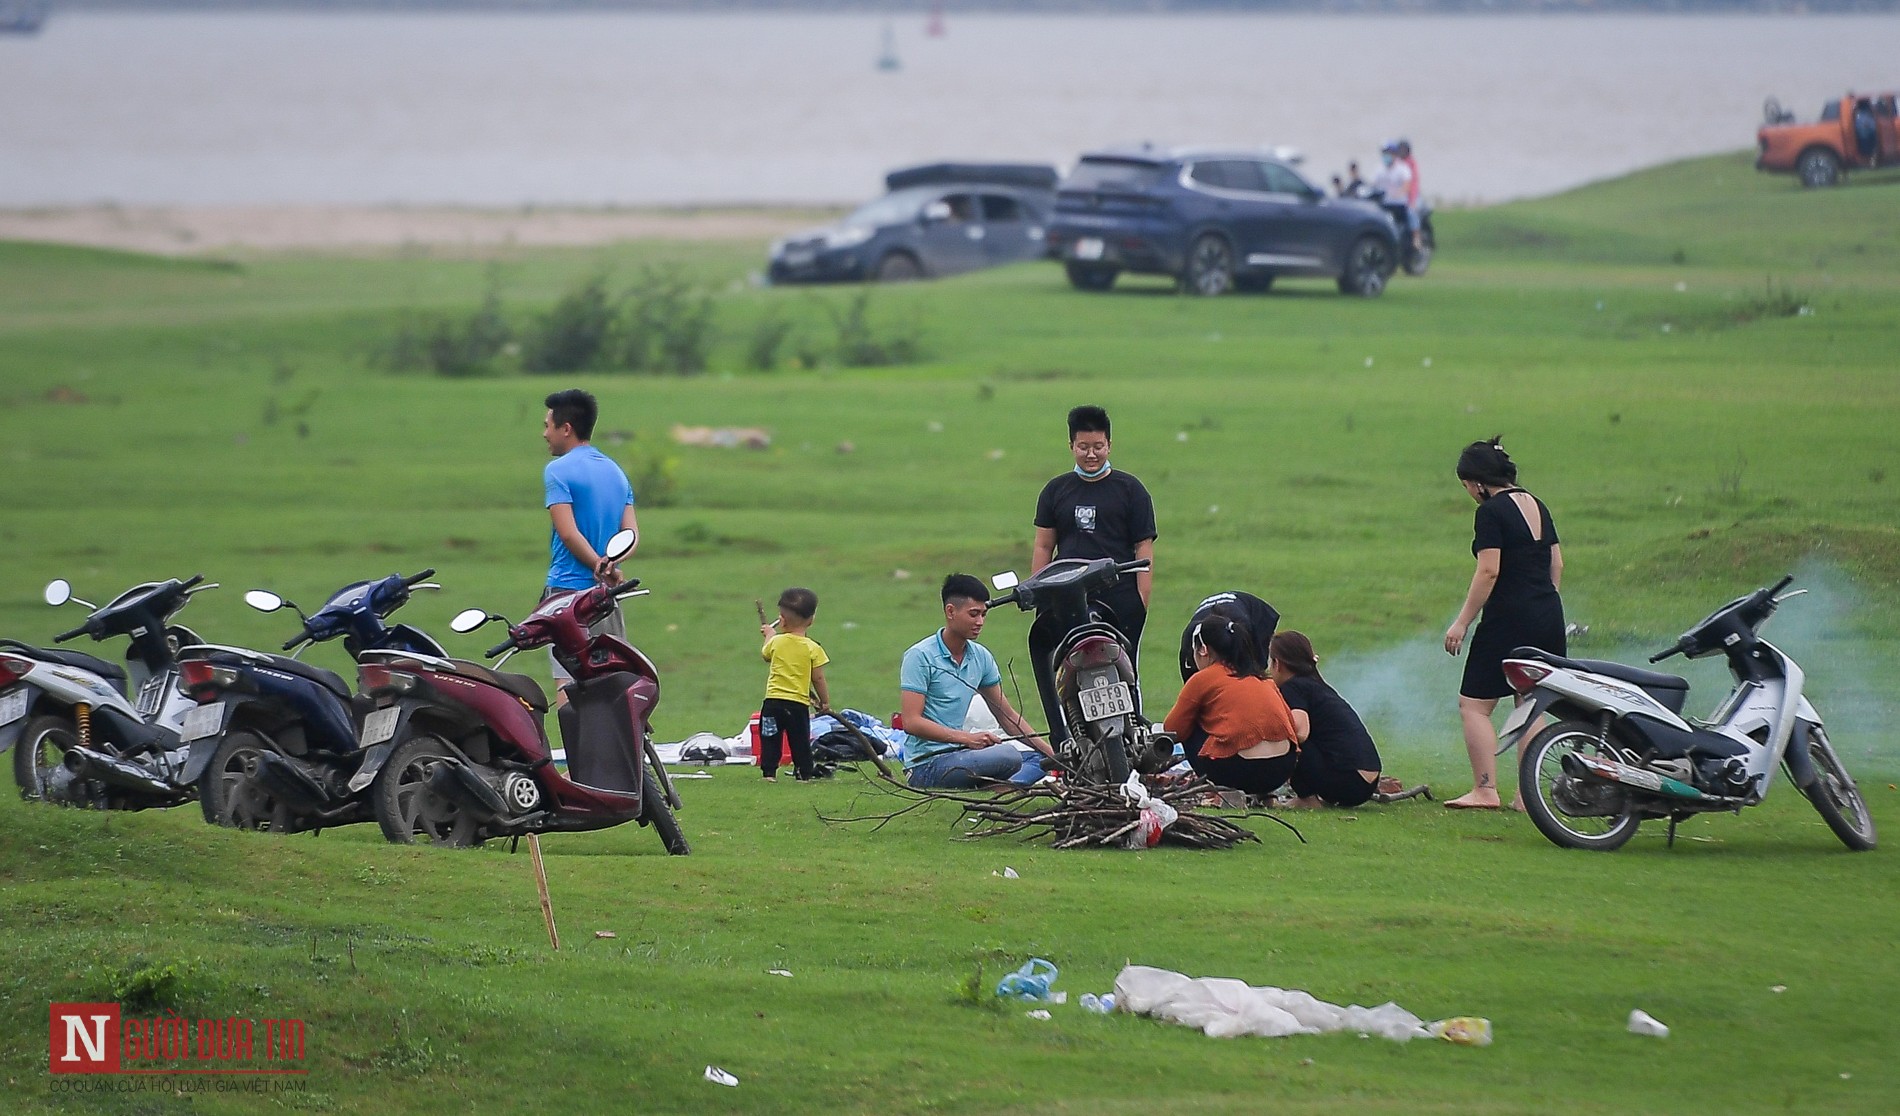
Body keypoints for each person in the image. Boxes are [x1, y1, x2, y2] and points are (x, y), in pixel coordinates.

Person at [1443, 437, 1564, 810]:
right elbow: (1556, 564)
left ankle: (1485, 789)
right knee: (1529, 702)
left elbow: (1489, 570)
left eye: (1466, 486)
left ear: (1478, 482)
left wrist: (1462, 622)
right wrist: (1541, 602)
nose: (1469, 494)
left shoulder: (1492, 512)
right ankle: (1528, 796)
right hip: (1547, 615)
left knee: (1474, 705)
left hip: (1507, 618)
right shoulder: (1537, 505)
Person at [1030, 405, 1156, 745]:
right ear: (1071, 445)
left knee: (1127, 672)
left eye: (1098, 446)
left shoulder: (1132, 490)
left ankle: (1133, 740)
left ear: (1110, 444)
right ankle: (1066, 739)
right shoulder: (1056, 491)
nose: (1091, 454)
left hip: (1120, 597)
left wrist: (1141, 599)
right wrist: (1039, 591)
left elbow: (1143, 548)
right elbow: (1044, 546)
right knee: (1065, 671)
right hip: (1066, 597)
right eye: (1083, 447)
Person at [901, 574, 1054, 789]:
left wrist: (1053, 755)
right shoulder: (920, 656)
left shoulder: (980, 656)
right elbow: (911, 722)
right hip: (926, 765)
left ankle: (1001, 787)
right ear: (950, 611)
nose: (980, 622)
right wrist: (966, 739)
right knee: (1009, 756)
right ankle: (1004, 787)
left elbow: (1007, 716)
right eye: (973, 614)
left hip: (963, 755)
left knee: (1039, 760)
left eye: (983, 614)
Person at [540, 389, 638, 698]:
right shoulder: (616, 472)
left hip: (567, 593)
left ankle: (577, 747)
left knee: (568, 682)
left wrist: (596, 563)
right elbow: (630, 534)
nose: (545, 434)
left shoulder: (557, 471)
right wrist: (610, 565)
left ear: (565, 428)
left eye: (548, 425)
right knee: (611, 679)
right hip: (607, 594)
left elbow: (568, 533)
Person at [1164, 612, 1299, 800]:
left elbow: (1172, 730)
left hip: (1236, 771)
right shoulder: (1263, 679)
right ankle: (1264, 796)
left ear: (1203, 650)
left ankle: (1220, 791)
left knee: (1190, 722)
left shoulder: (1203, 678)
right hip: (1281, 769)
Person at [1269, 631, 1382, 808]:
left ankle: (1307, 799)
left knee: (1290, 739)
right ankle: (1315, 795)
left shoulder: (1293, 687)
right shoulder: (1316, 686)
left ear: (1278, 664)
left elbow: (1300, 733)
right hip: (1366, 783)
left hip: (1348, 781)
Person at [758, 587, 830, 783]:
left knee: (770, 737)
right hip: (797, 705)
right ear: (811, 619)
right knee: (799, 740)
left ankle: (769, 773)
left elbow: (766, 654)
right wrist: (824, 702)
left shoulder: (777, 642)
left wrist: (769, 634)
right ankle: (803, 773)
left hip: (772, 703)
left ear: (782, 618)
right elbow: (818, 679)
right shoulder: (813, 648)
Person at [1177, 591, 1279, 683]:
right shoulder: (1188, 653)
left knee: (1252, 679)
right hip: (1223, 614)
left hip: (1254, 615)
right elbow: (1191, 696)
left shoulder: (1242, 631)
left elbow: (1255, 672)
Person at [1397, 139, 1423, 249]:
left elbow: (1413, 183)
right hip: (1398, 196)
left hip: (1412, 196)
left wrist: (1412, 200)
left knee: (1411, 211)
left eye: (1403, 150)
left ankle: (1416, 237)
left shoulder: (1411, 164)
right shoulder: (1397, 163)